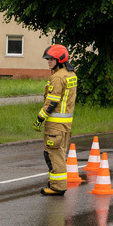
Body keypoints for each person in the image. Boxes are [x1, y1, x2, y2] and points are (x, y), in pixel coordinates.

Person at [33, 44, 77, 196]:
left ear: (60, 60)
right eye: (48, 59)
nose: (48, 62)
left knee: (53, 155)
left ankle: (57, 187)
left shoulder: (58, 77)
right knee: (58, 153)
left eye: (51, 59)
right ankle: (55, 184)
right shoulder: (70, 74)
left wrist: (40, 118)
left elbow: (51, 102)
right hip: (65, 125)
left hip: (55, 125)